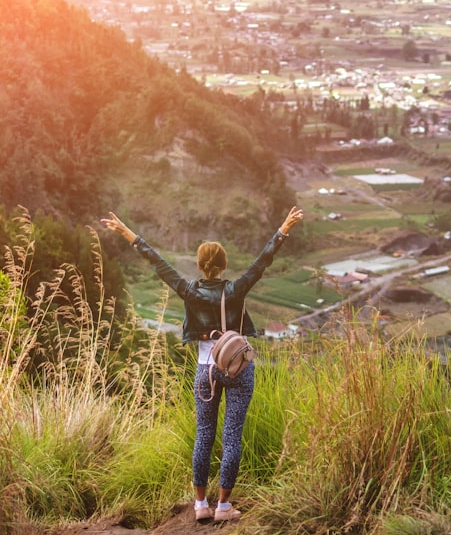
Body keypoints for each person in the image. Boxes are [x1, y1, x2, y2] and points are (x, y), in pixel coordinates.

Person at [101, 206, 304, 523]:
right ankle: (224, 507)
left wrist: (127, 232)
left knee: (204, 435)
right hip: (238, 369)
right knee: (232, 435)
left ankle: (200, 504)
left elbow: (158, 264)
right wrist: (282, 230)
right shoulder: (235, 290)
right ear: (223, 266)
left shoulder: (188, 291)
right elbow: (261, 263)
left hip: (204, 371)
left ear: (200, 265)